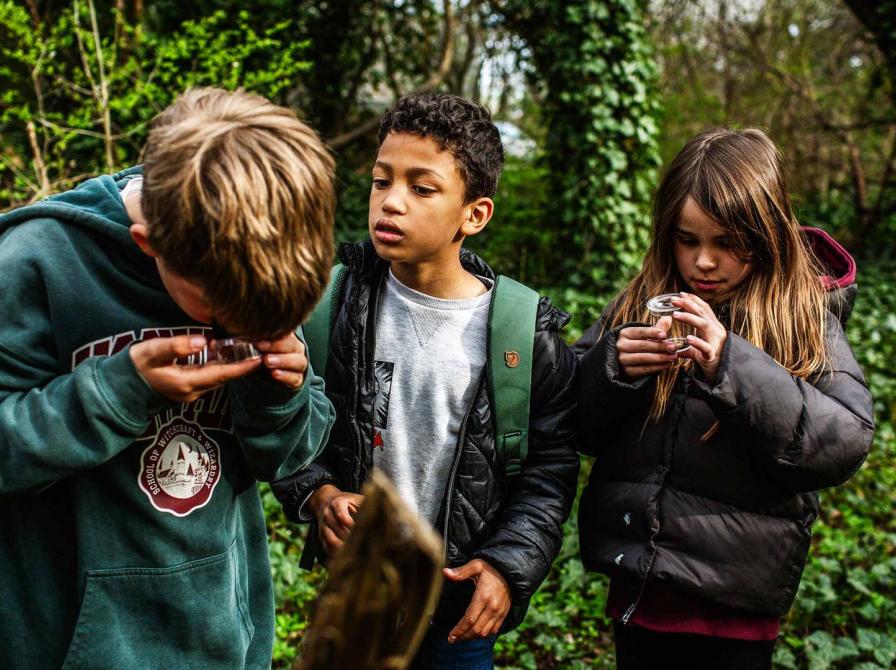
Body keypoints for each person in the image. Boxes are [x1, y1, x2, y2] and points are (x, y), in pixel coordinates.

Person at [0, 87, 337, 669]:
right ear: (149, 245)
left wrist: (281, 395)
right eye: (222, 314)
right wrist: (121, 389)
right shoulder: (35, 262)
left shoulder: (266, 263)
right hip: (64, 646)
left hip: (219, 641)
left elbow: (287, 458)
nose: (242, 328)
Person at [272, 93, 579, 669]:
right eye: (381, 181)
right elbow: (286, 421)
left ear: (475, 214)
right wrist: (319, 492)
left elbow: (549, 468)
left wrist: (508, 566)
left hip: (458, 611)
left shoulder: (520, 334)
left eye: (422, 188)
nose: (391, 202)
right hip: (357, 600)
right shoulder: (331, 305)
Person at [573, 128, 874, 669]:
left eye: (726, 243)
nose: (703, 262)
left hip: (737, 612)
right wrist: (611, 369)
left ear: (765, 234)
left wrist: (730, 363)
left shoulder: (803, 317)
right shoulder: (642, 303)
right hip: (640, 591)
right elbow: (572, 418)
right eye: (687, 240)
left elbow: (845, 439)